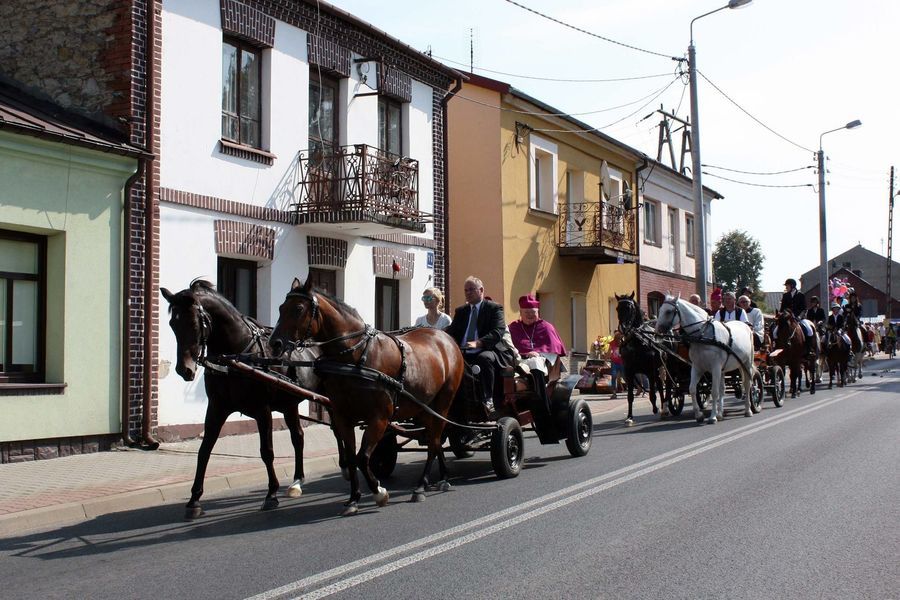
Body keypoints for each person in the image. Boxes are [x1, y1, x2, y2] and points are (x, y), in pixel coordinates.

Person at [445, 276, 516, 413]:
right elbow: (452, 332)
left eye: (471, 289)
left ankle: (488, 399)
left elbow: (498, 331)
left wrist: (479, 343)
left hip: (490, 349)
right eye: (466, 290)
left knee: (484, 358)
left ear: (481, 290)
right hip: (464, 350)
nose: (468, 293)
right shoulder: (461, 311)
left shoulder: (494, 308)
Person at [781, 278, 815, 355]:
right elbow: (782, 308)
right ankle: (777, 348)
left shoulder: (801, 295)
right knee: (775, 331)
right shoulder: (785, 295)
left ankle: (809, 350)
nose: (786, 287)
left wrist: (799, 317)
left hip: (799, 318)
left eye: (787, 285)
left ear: (792, 286)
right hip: (788, 319)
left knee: (809, 330)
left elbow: (804, 309)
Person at [608, 331, 624, 399]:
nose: (619, 340)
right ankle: (614, 393)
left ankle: (634, 389)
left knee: (625, 376)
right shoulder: (612, 343)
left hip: (622, 362)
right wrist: (605, 360)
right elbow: (609, 351)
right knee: (614, 376)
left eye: (620, 339)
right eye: (617, 338)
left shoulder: (623, 343)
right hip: (614, 362)